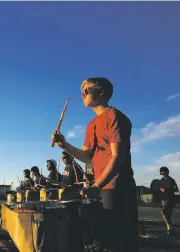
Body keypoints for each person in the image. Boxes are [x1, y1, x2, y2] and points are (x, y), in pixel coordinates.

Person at [52, 77, 138, 252]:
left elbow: (117, 158)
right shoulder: (92, 124)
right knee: (102, 241)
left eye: (86, 90)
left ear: (101, 92)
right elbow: (86, 157)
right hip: (102, 188)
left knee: (118, 243)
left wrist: (97, 185)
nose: (82, 94)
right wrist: (64, 145)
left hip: (117, 188)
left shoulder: (114, 117)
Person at [159, 166, 178, 235]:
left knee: (163, 213)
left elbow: (176, 190)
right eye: (162, 173)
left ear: (167, 172)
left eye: (164, 172)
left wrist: (169, 191)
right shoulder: (162, 180)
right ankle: (170, 230)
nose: (163, 174)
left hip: (170, 199)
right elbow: (160, 189)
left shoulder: (171, 180)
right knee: (168, 215)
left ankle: (170, 228)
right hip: (164, 200)